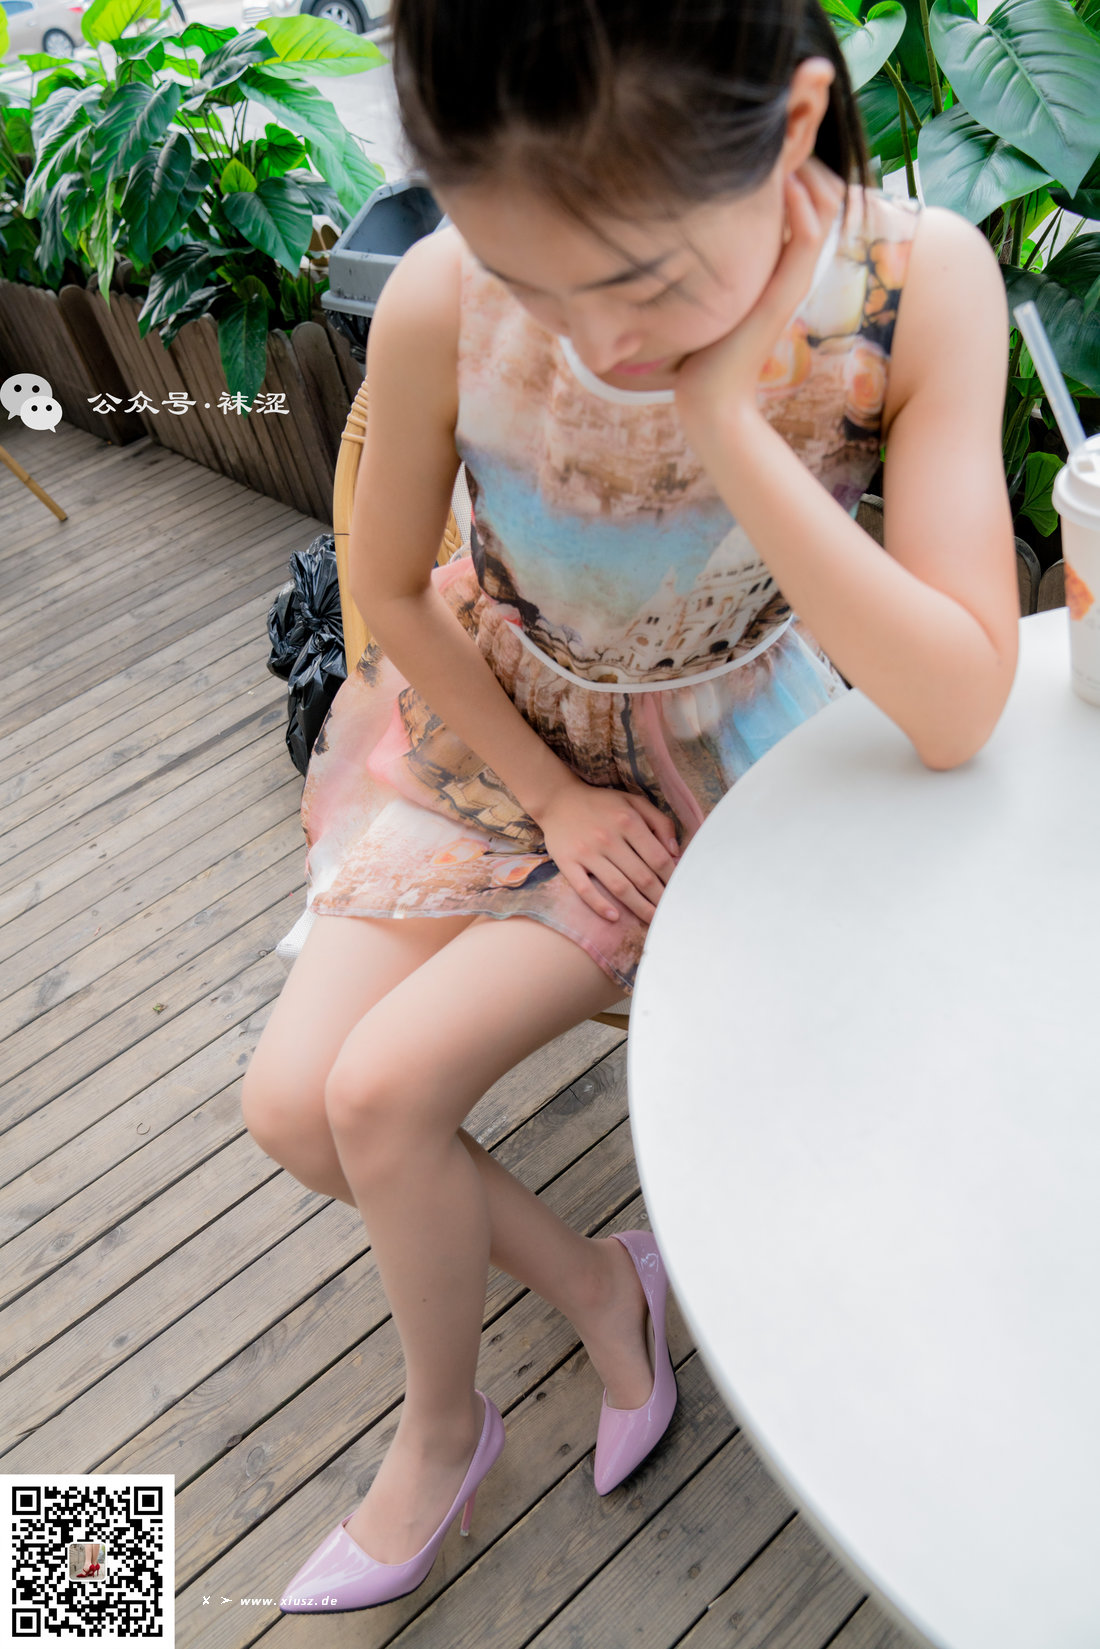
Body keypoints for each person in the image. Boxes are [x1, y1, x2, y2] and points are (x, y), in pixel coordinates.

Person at [242, 0, 1020, 1614]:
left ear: (792, 129)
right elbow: (391, 584)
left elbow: (958, 705)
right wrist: (546, 793)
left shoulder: (911, 282)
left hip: (722, 776)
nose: (596, 340)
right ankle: (607, 1285)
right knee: (294, 1111)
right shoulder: (446, 290)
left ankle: (442, 1428)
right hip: (502, 735)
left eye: (644, 281)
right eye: (534, 280)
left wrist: (727, 418)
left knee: (375, 1096)